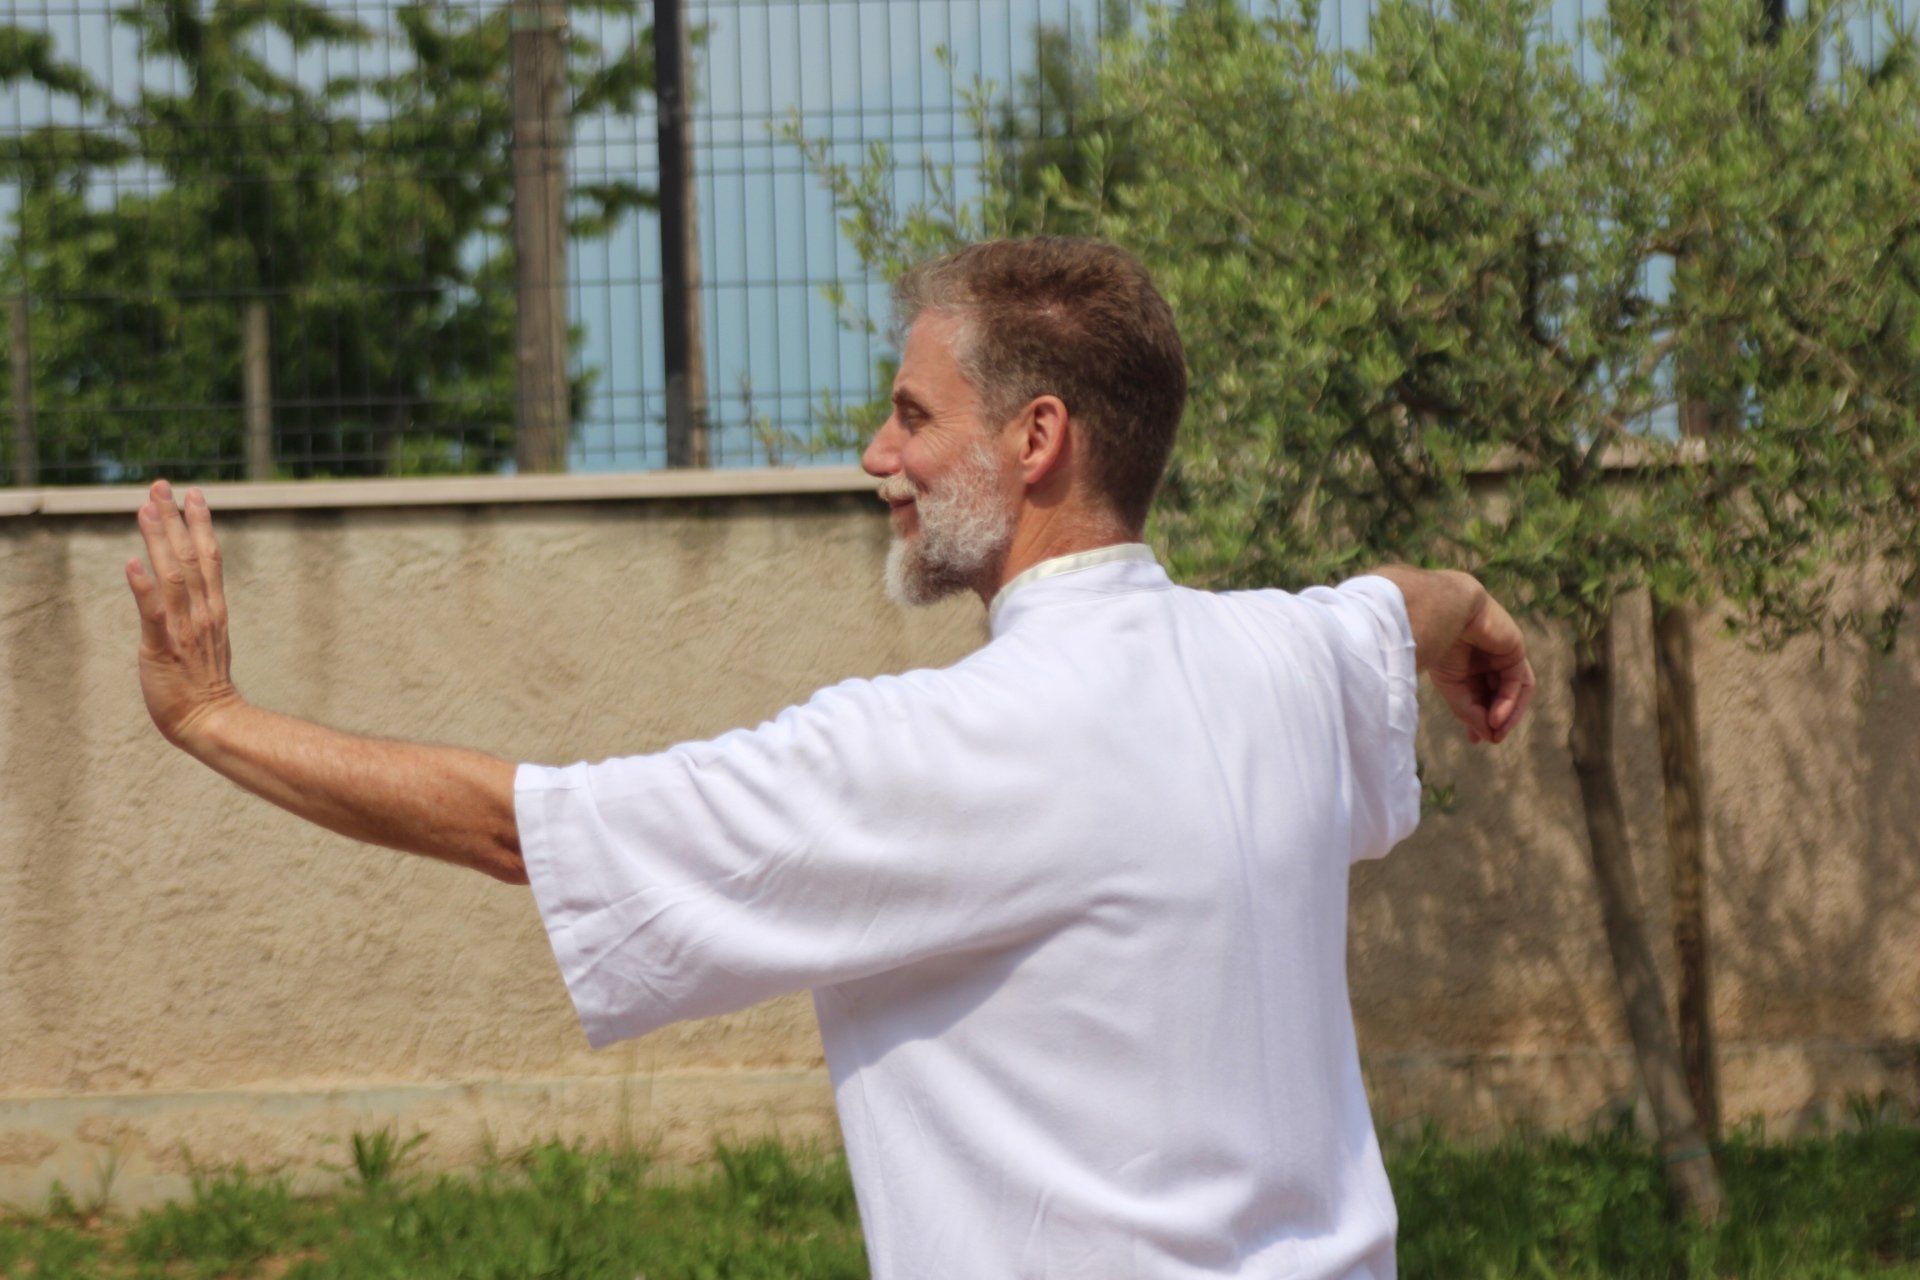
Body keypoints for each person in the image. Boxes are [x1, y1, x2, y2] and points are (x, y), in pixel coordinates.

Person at [126, 237, 1534, 1279]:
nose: (878, 450)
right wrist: (1467, 612)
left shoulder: (936, 749)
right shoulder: (1283, 659)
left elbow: (523, 832)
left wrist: (212, 718)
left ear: (1038, 439)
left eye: (915, 415)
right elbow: (1399, 602)